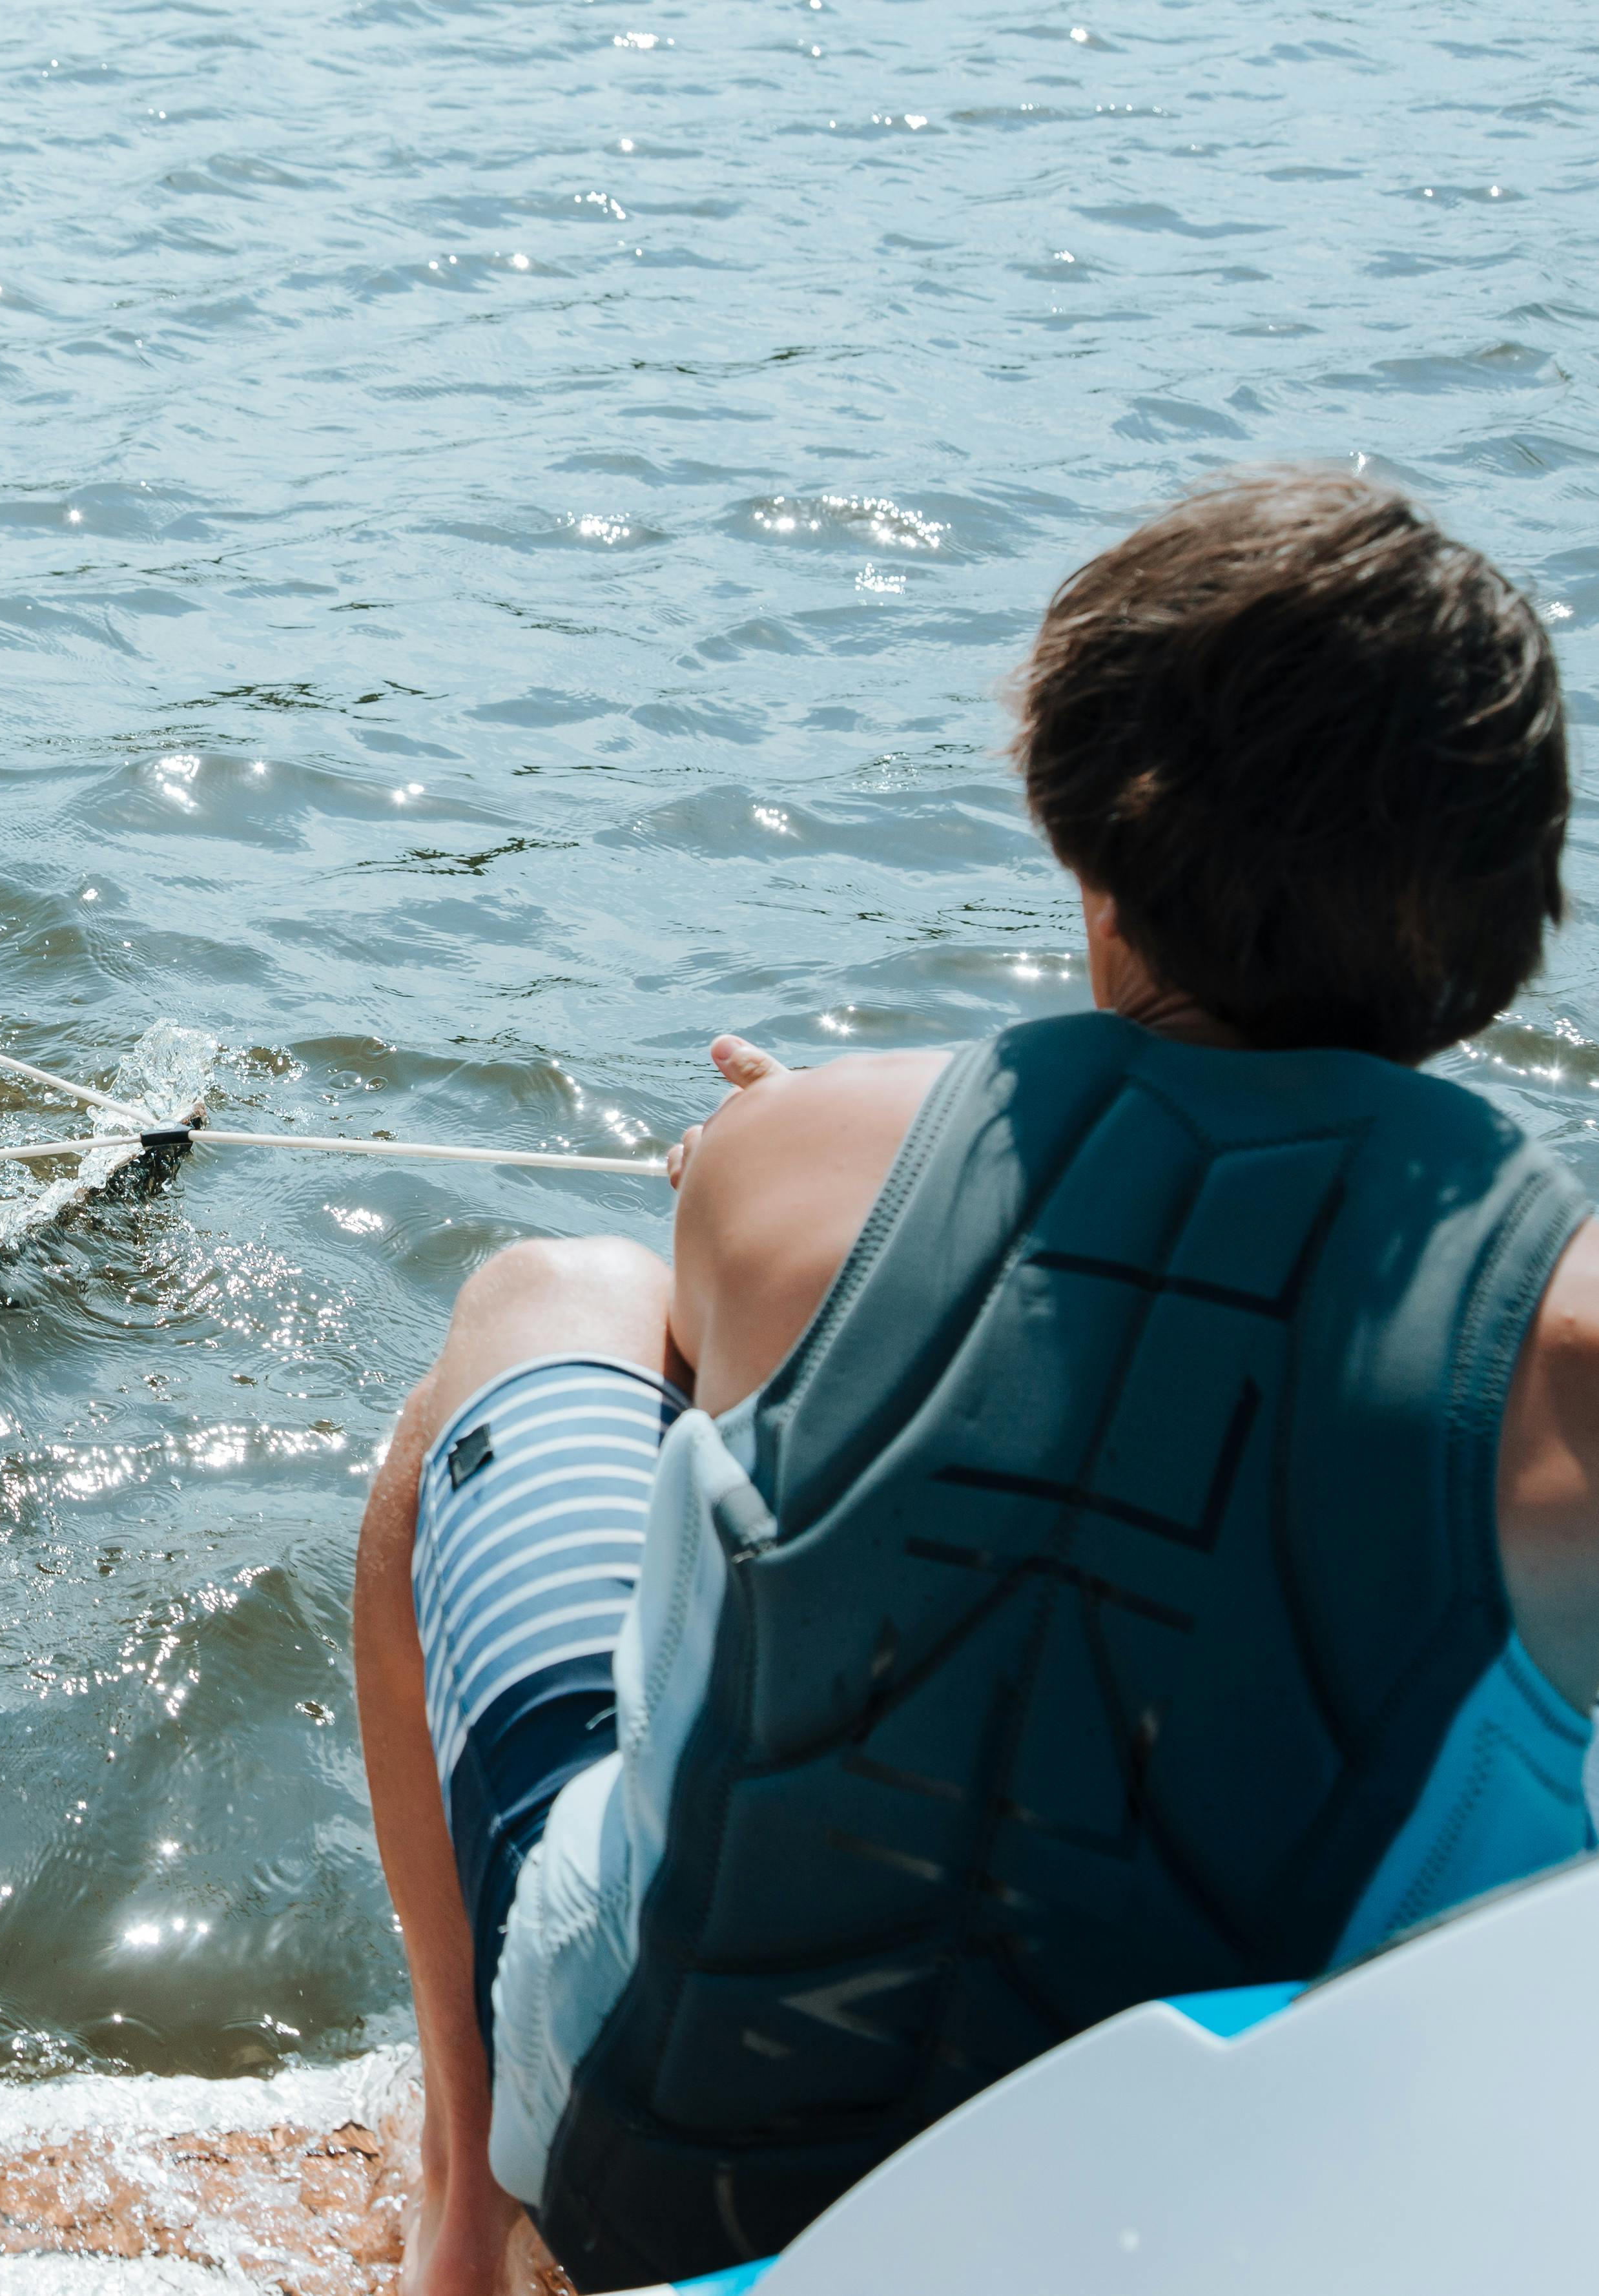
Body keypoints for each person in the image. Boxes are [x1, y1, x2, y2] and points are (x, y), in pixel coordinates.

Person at [353, 466, 1597, 2293]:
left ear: (1091, 849)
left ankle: (466, 2220)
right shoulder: (1569, 1338)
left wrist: (783, 1173)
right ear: (1501, 906)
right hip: (1246, 2218)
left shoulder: (799, 1158)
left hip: (656, 2180)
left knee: (550, 1293)